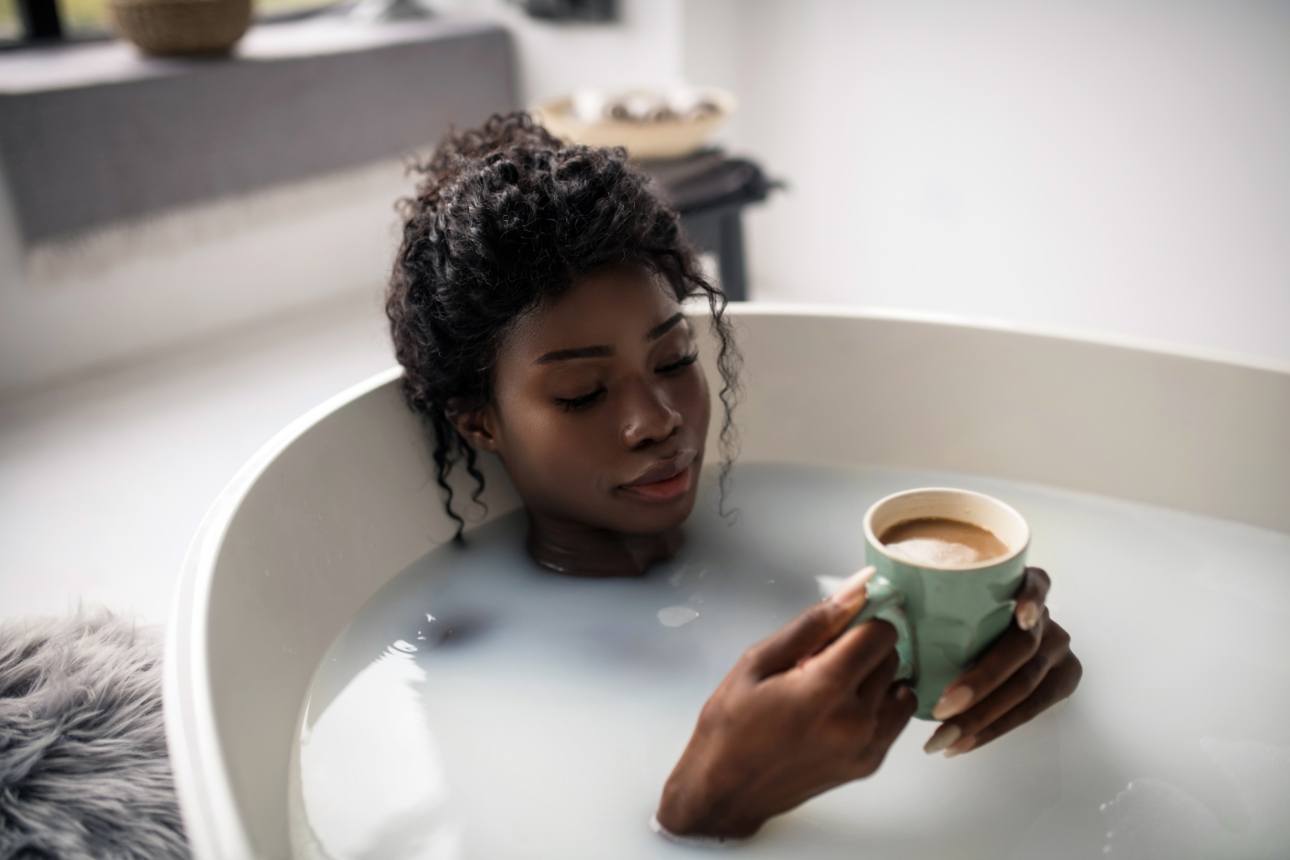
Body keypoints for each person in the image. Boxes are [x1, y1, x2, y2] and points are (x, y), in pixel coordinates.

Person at [385, 111, 1082, 843]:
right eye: (583, 392)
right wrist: (703, 808)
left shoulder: (773, 565)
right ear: (479, 423)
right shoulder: (476, 663)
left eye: (675, 359)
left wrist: (999, 664)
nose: (657, 420)